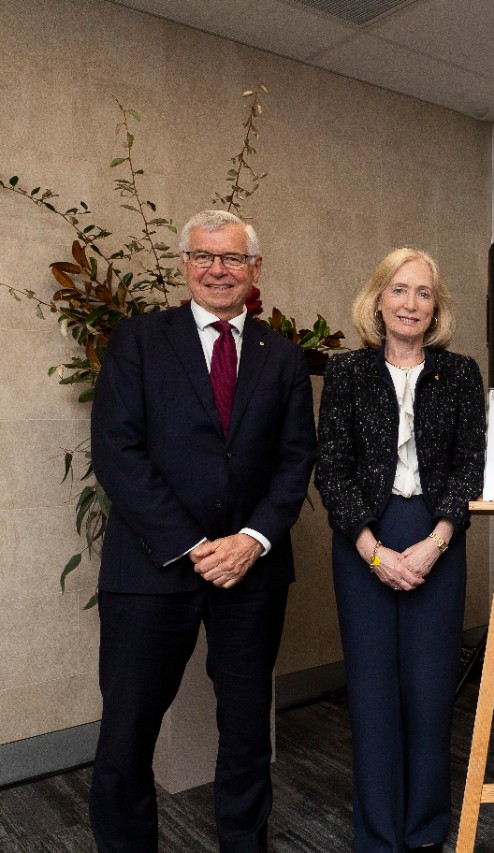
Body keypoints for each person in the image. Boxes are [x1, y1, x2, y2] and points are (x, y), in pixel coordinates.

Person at [88, 210, 317, 852]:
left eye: (233, 258)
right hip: (150, 568)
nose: (218, 269)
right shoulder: (137, 340)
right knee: (128, 733)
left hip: (253, 571)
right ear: (185, 264)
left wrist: (251, 541)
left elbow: (296, 459)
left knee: (247, 735)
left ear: (255, 270)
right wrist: (193, 546)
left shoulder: (284, 357)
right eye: (204, 256)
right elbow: (117, 452)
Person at [315, 247, 484, 852]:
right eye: (400, 290)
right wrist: (372, 550)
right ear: (378, 299)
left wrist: (435, 543)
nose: (411, 303)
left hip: (437, 535)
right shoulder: (346, 373)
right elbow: (331, 469)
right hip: (363, 535)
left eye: (424, 293)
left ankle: (424, 829)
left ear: (436, 307)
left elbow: (471, 467)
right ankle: (379, 833)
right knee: (372, 691)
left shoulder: (460, 373)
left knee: (431, 688)